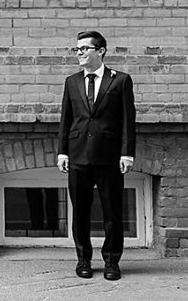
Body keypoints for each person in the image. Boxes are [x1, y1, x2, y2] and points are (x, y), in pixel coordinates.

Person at [57, 30, 136, 281]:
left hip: (109, 157)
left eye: (84, 49)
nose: (79, 53)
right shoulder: (72, 82)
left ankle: (112, 261)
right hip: (78, 155)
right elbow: (66, 119)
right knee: (80, 212)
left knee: (112, 212)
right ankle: (83, 260)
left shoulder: (120, 80)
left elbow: (128, 119)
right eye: (77, 49)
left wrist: (127, 153)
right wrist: (62, 152)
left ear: (100, 51)